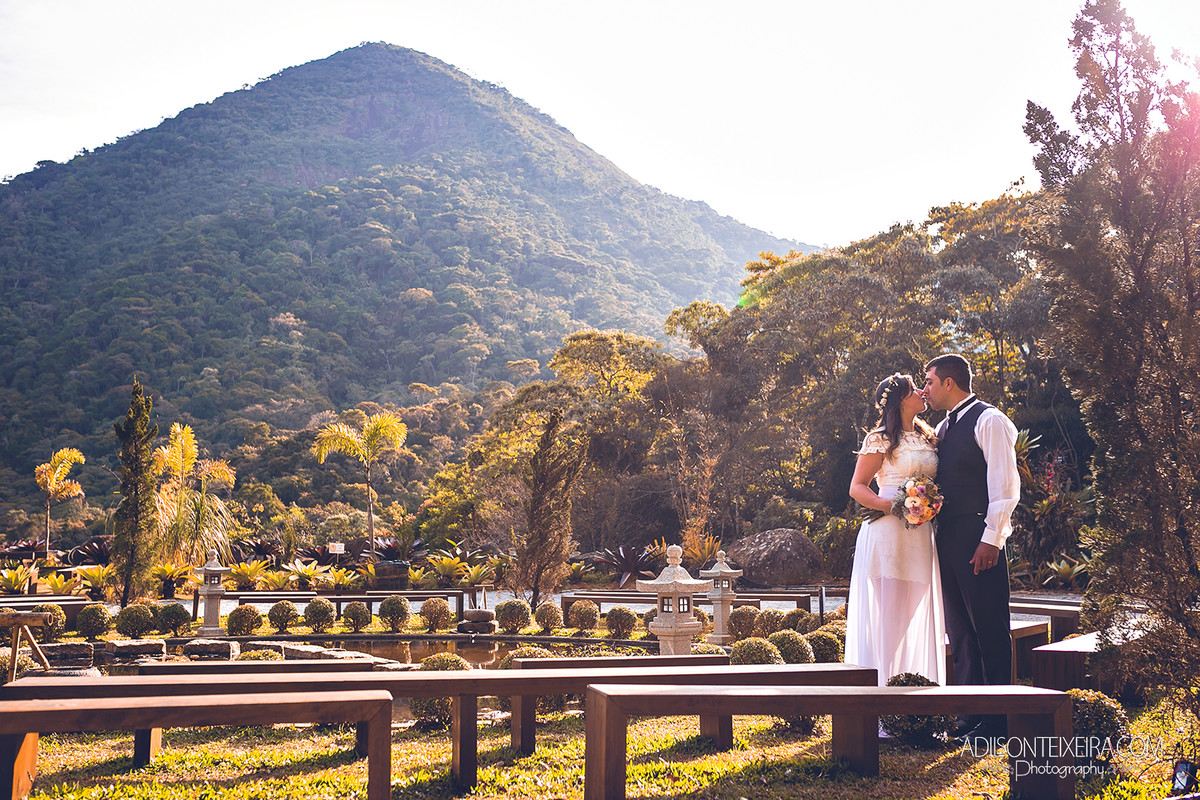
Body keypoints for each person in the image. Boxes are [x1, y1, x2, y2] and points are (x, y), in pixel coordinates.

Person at [922, 354, 1020, 742]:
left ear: (949, 383)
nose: (924, 389)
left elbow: (1005, 486)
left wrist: (990, 539)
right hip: (945, 539)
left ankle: (999, 719)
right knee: (959, 632)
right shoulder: (943, 428)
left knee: (990, 628)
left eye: (929, 382)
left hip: (979, 537)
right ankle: (969, 714)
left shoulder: (989, 420)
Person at [845, 373, 947, 689]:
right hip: (887, 534)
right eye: (915, 388)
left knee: (911, 617)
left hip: (920, 536)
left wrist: (926, 505)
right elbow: (856, 487)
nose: (922, 391)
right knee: (889, 620)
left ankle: (911, 692)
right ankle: (881, 697)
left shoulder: (929, 437)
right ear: (902, 399)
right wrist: (891, 506)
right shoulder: (880, 439)